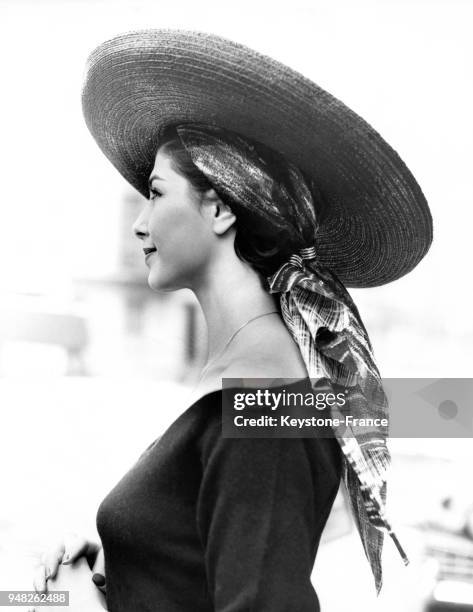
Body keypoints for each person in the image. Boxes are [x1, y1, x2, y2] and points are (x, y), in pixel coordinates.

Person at [32, 30, 433, 611]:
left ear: (219, 208)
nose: (141, 224)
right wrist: (108, 568)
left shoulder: (266, 402)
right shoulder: (243, 377)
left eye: (155, 193)